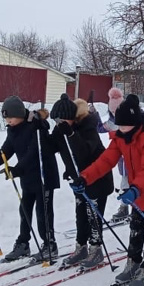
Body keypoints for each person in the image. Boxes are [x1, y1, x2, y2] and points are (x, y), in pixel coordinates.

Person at [71, 94, 144, 286]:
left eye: (124, 126)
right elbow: (106, 160)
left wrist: (135, 189)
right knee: (135, 227)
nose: (121, 129)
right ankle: (133, 262)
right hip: (138, 190)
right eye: (120, 125)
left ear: (134, 123)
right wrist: (85, 177)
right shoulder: (121, 137)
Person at [0, 95, 60, 262]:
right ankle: (23, 244)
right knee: (24, 211)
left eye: (10, 117)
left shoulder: (36, 127)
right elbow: (3, 154)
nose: (8, 121)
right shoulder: (13, 131)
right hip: (28, 177)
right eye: (6, 118)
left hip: (43, 176)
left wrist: (17, 169)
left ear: (19, 114)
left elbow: (34, 153)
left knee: (43, 213)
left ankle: (49, 245)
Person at [49, 94, 114, 270]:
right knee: (81, 214)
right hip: (79, 181)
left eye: (61, 119)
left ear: (71, 118)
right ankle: (81, 246)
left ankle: (96, 248)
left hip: (97, 180)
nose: (58, 123)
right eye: (56, 120)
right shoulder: (61, 130)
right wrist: (38, 129)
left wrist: (70, 134)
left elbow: (84, 152)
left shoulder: (87, 127)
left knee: (93, 215)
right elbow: (51, 148)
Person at [96, 87, 132, 223]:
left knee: (128, 182)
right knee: (125, 180)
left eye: (116, 110)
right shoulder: (112, 121)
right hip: (120, 158)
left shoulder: (127, 119)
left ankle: (125, 207)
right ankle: (126, 206)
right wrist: (95, 115)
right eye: (112, 111)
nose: (115, 113)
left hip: (131, 156)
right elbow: (100, 128)